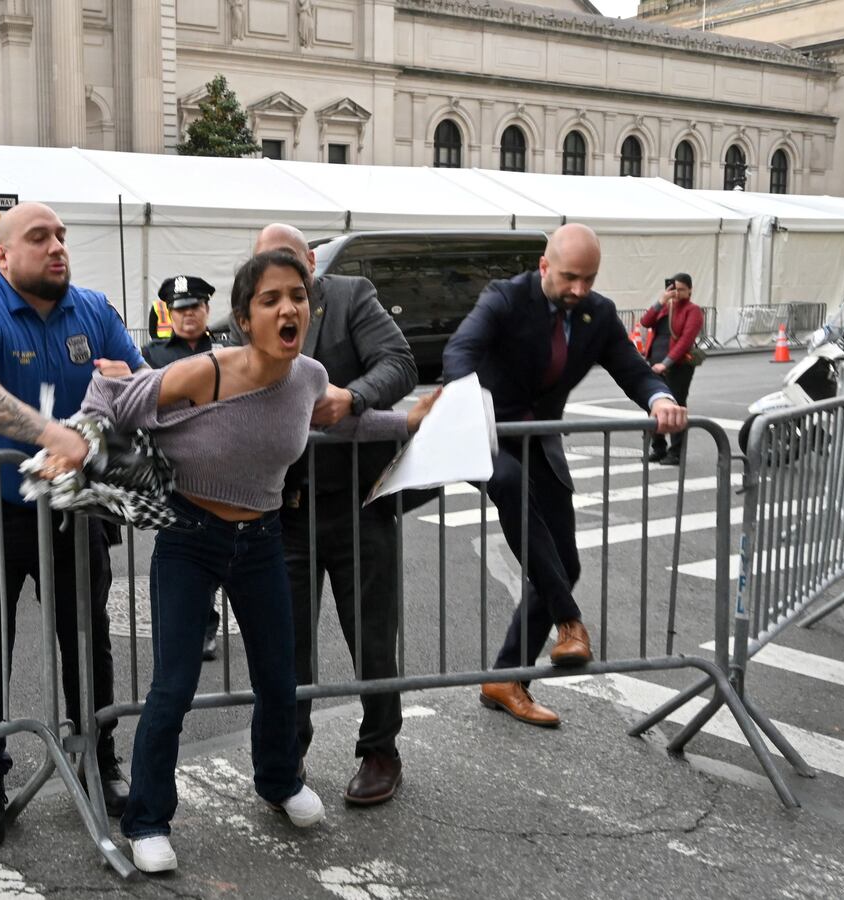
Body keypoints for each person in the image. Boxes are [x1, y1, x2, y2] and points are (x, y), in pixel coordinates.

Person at [76, 250, 437, 873]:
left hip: (263, 538)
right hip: (190, 537)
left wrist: (406, 421)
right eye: (270, 299)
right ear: (245, 317)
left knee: (278, 677)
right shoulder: (206, 371)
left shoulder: (310, 376)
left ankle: (278, 781)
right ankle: (147, 819)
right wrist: (99, 455)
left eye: (296, 295)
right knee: (174, 684)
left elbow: (339, 425)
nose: (287, 307)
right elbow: (111, 399)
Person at [0, 201, 140, 846]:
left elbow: (146, 383)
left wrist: (130, 383)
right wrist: (52, 433)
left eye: (60, 236)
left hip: (74, 511)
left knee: (87, 639)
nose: (57, 247)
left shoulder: (96, 311)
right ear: (1, 256)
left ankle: (98, 757)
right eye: (38, 237)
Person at [443, 224, 686, 727]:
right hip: (487, 434)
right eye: (570, 277)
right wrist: (466, 402)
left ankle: (506, 679)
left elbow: (632, 368)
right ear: (545, 266)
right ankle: (569, 622)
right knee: (508, 485)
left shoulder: (598, 314)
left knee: (564, 561)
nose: (579, 289)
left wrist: (660, 398)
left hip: (541, 441)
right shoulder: (505, 299)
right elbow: (459, 351)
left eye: (589, 279)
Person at [252, 223, 419, 807]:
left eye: (291, 265)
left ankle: (380, 751)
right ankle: (287, 754)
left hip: (358, 506)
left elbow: (399, 363)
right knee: (286, 645)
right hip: (285, 512)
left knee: (372, 638)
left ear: (312, 263)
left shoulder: (349, 295)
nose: (282, 281)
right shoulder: (250, 312)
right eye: (268, 266)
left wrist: (354, 397)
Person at [140, 274, 227, 660]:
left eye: (194, 308)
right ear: (169, 315)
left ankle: (210, 624)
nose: (188, 316)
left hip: (226, 465)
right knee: (184, 554)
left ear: (207, 309)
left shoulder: (230, 348)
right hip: (176, 472)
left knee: (229, 550)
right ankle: (196, 626)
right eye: (180, 310)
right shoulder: (152, 355)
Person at [641, 272, 703, 466]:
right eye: (674, 288)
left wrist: (666, 363)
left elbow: (685, 340)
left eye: (682, 289)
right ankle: (658, 448)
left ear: (690, 290)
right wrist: (661, 301)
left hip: (678, 366)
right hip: (654, 363)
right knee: (653, 405)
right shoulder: (666, 307)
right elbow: (645, 321)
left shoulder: (693, 311)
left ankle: (675, 452)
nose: (677, 293)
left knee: (675, 407)